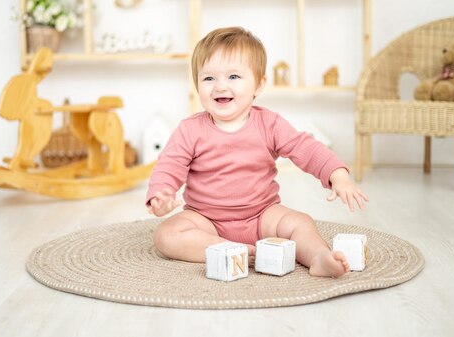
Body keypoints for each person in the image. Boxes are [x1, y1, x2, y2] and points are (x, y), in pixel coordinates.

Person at [146, 27, 368, 277]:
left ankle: (318, 257)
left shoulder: (269, 124)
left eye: (233, 77)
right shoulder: (190, 129)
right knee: (165, 235)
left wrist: (337, 175)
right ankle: (228, 249)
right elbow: (169, 165)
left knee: (300, 223)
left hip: (263, 215)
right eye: (208, 78)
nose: (220, 86)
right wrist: (160, 196)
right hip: (205, 220)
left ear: (259, 84)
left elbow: (305, 148)